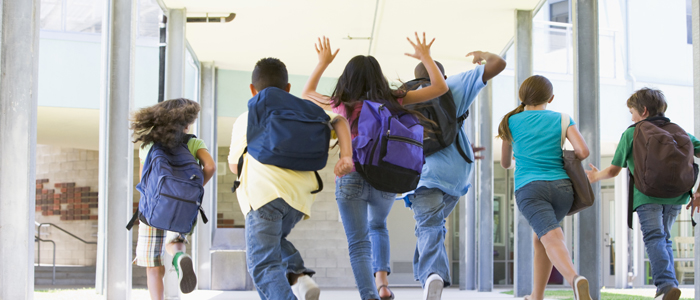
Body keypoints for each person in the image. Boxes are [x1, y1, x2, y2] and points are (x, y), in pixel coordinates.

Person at [302, 33, 448, 300]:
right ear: (379, 78)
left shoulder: (340, 104)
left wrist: (322, 62)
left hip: (351, 177)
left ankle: (369, 295)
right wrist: (426, 57)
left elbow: (307, 93)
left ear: (347, 79)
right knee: (378, 226)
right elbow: (440, 88)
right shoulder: (395, 100)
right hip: (385, 175)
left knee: (358, 244)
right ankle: (383, 284)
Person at [228, 57, 354, 300]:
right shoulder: (304, 110)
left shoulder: (247, 117)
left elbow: (235, 166)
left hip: (264, 197)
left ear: (253, 89)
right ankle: (299, 276)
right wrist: (345, 156)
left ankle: (296, 280)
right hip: (298, 202)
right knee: (273, 242)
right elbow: (339, 120)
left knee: (263, 265)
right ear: (288, 89)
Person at [404, 52, 505, 300]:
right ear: (442, 76)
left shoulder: (404, 97)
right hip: (456, 175)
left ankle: (432, 275)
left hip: (421, 173)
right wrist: (482, 57)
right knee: (430, 227)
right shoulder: (452, 86)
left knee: (429, 226)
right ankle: (430, 277)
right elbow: (498, 64)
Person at [587, 88, 700, 300]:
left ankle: (666, 285)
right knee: (664, 238)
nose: (632, 117)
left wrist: (594, 177)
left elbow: (613, 170)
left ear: (644, 111)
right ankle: (670, 285)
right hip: (677, 196)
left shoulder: (632, 132)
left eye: (632, 112)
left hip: (647, 196)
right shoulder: (681, 132)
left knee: (654, 237)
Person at [498, 75, 592, 300]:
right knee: (541, 238)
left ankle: (574, 279)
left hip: (530, 189)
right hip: (562, 189)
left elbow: (504, 163)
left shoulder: (510, 121)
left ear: (522, 97)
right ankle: (536, 296)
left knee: (550, 238)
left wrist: (518, 157)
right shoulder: (562, 118)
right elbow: (583, 151)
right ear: (551, 98)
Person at [131, 98, 217, 300]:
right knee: (175, 242)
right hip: (182, 205)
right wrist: (191, 191)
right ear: (185, 124)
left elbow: (145, 179)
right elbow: (211, 167)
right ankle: (179, 256)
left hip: (151, 209)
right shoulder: (194, 142)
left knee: (153, 266)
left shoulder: (149, 145)